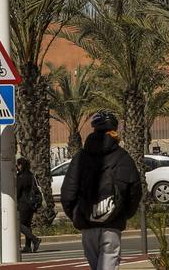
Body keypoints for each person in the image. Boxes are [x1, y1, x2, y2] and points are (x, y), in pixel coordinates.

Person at [61, 110, 141, 270]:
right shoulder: (124, 158)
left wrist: (77, 214)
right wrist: (123, 214)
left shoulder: (80, 158)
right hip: (112, 225)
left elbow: (68, 193)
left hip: (87, 224)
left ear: (94, 129)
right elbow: (134, 192)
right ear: (114, 130)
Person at [17, 157, 43, 253]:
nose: (17, 167)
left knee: (18, 224)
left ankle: (35, 239)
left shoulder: (21, 177)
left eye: (18, 165)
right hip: (32, 204)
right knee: (27, 225)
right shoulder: (31, 175)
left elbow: (17, 192)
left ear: (20, 165)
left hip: (23, 204)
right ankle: (27, 247)